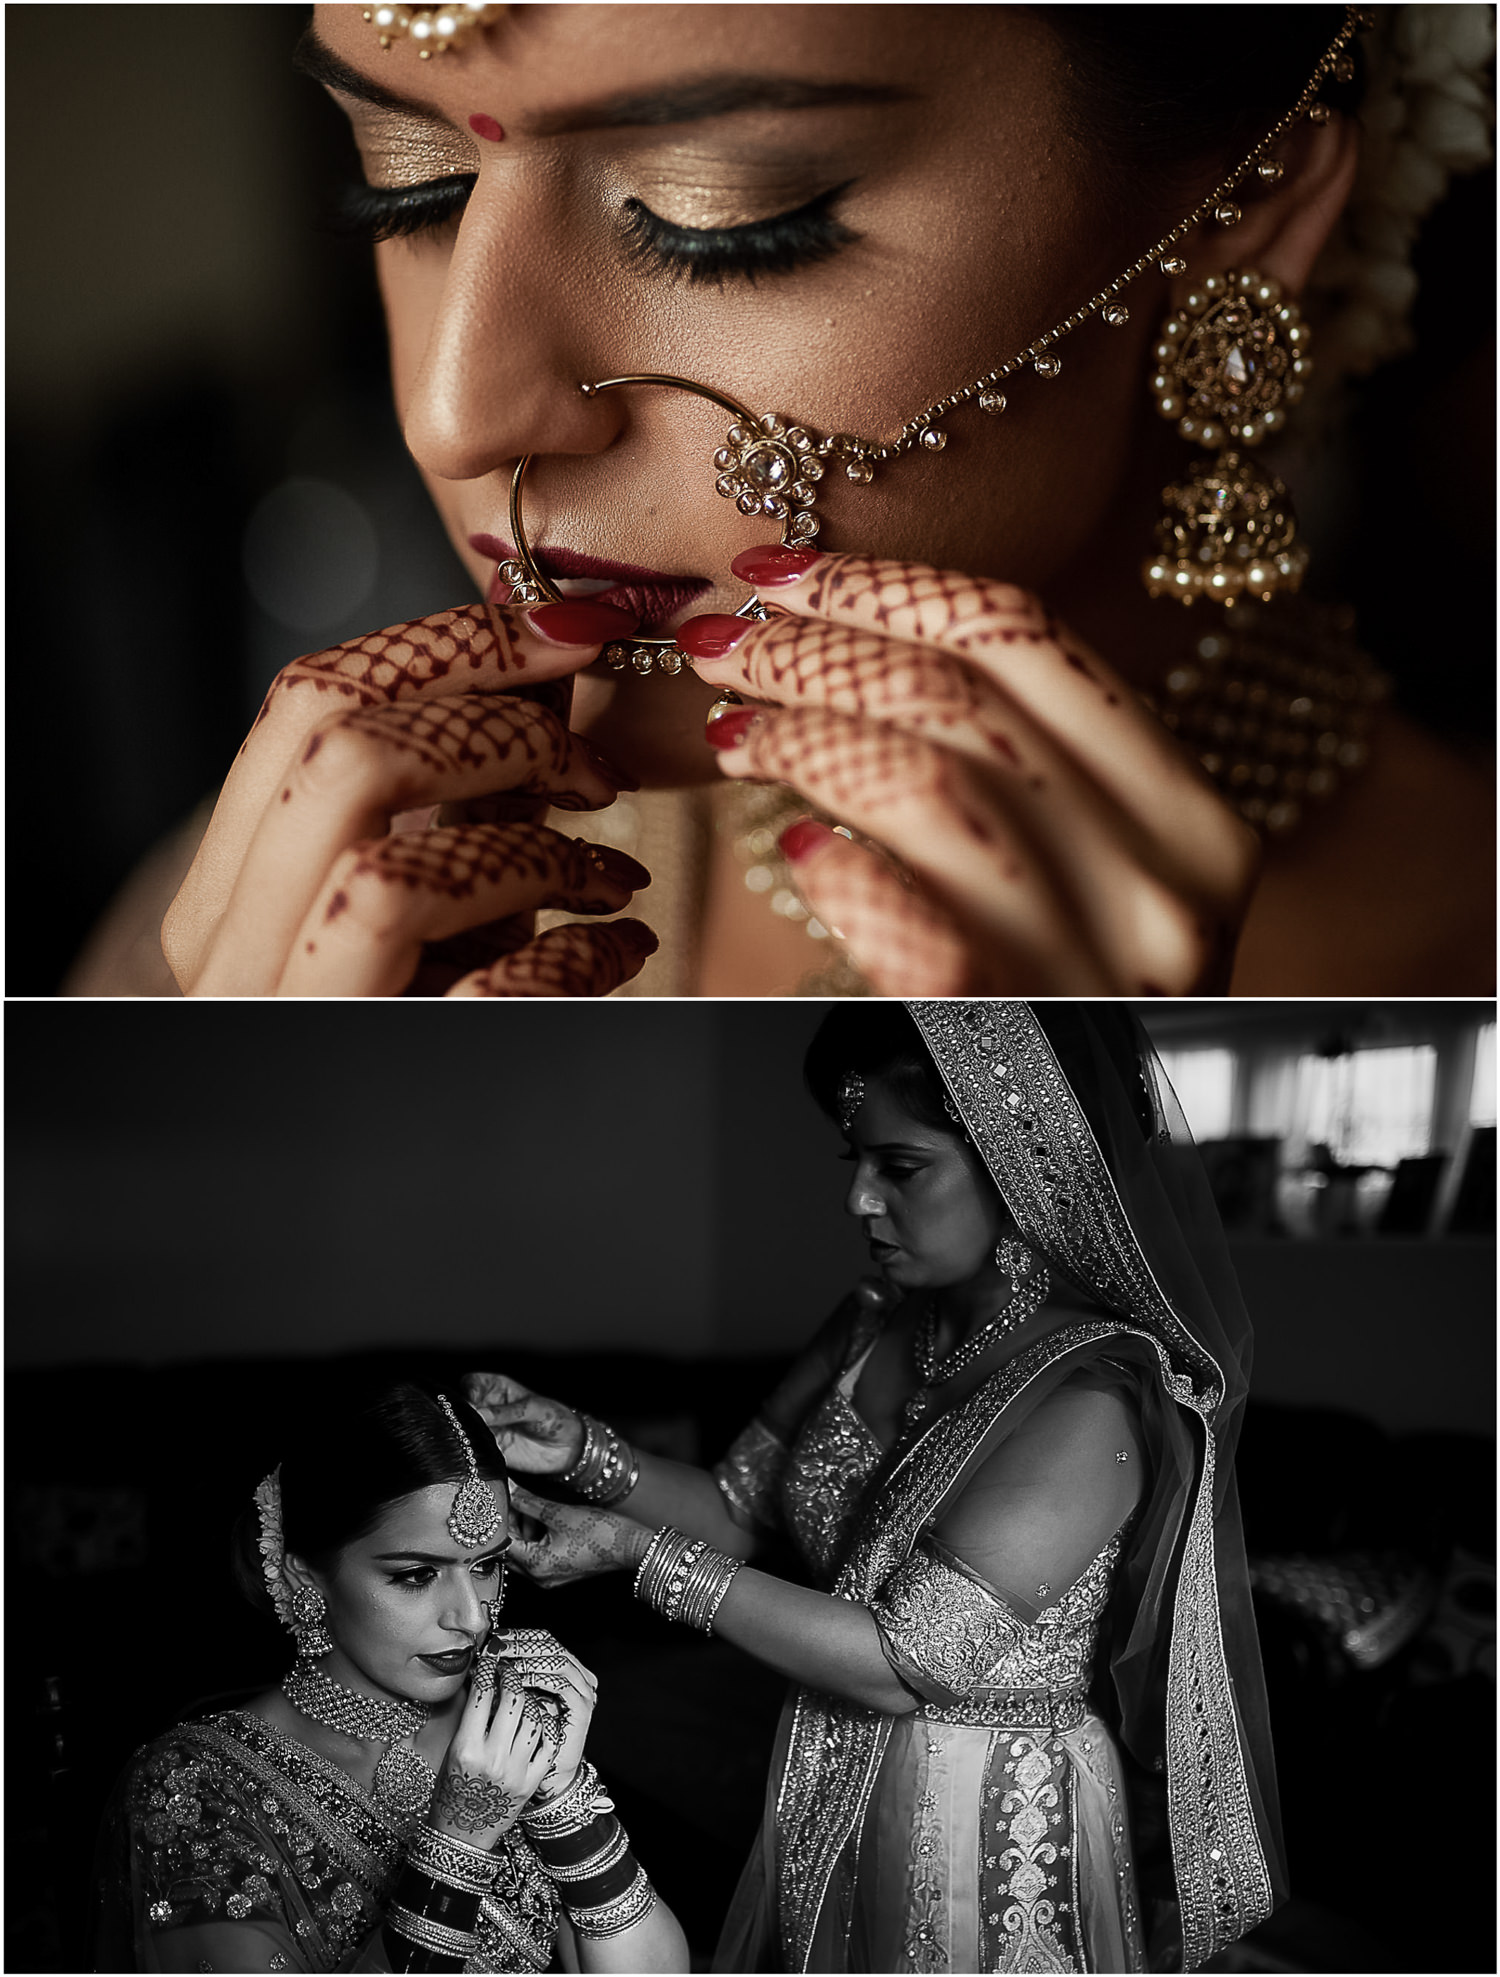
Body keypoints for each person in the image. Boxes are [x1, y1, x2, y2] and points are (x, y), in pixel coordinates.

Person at [125, 3, 1490, 998]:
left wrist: (1089, 1150)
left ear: (1245, 217)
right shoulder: (323, 896)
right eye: (406, 193)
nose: (457, 410)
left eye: (722, 220)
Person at [464, 1002, 1282, 1971]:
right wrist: (582, 1452)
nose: (859, 1201)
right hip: (832, 1787)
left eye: (900, 1168)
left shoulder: (1093, 1398)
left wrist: (631, 1550)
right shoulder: (876, 1324)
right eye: (853, 1161)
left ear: (1027, 1167)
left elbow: (903, 1663)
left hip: (994, 1826)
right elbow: (736, 1507)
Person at [92, 1383, 689, 1973]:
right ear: (306, 1574)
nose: (473, 1617)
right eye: (415, 1575)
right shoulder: (197, 1786)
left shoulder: (505, 1733)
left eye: (487, 1566)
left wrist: (565, 1800)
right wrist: (459, 1841)